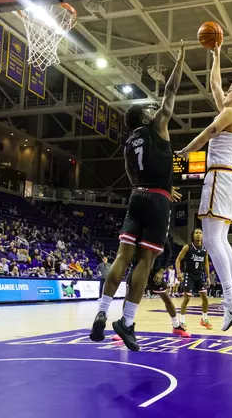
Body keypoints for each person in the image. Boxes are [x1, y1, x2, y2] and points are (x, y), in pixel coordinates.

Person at [89, 40, 186, 352]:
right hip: (157, 200)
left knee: (122, 257)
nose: (152, 109)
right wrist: (181, 60)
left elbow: (132, 176)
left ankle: (102, 311)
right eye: (148, 109)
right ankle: (127, 322)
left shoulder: (129, 143)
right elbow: (169, 93)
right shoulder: (157, 125)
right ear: (146, 118)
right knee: (146, 260)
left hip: (136, 196)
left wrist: (156, 182)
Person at [175, 42, 232, 331]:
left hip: (220, 176)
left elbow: (208, 133)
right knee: (219, 241)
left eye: (231, 91)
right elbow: (214, 84)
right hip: (227, 178)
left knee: (211, 241)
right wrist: (217, 56)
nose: (226, 93)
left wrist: (185, 152)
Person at [176, 228, 212, 330]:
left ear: (202, 235)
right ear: (193, 236)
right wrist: (179, 272)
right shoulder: (187, 247)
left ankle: (204, 320)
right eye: (196, 233)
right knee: (187, 298)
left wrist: (208, 277)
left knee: (205, 298)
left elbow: (206, 264)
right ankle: (182, 321)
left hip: (200, 276)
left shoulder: (205, 249)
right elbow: (178, 259)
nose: (198, 234)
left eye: (200, 233)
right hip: (189, 275)